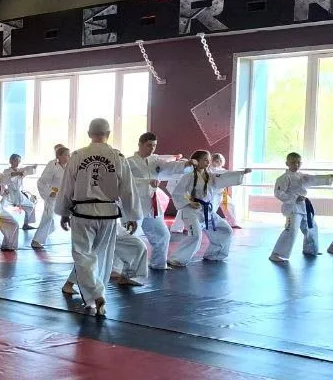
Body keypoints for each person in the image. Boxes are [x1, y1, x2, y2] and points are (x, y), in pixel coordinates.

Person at [57, 118, 138, 317]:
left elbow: (67, 187)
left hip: (82, 213)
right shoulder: (118, 156)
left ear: (88, 133)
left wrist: (64, 212)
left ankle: (96, 295)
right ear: (108, 134)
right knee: (102, 256)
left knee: (82, 255)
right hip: (108, 213)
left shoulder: (78, 156)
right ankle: (98, 296)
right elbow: (128, 189)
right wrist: (131, 215)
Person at [167, 151, 251, 266]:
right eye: (205, 159)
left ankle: (214, 254)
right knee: (195, 235)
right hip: (191, 211)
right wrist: (189, 202)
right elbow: (178, 193)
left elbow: (224, 176)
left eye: (209, 160)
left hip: (207, 210)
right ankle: (177, 259)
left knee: (225, 230)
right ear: (197, 161)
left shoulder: (210, 176)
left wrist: (241, 173)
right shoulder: (188, 176)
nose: (208, 162)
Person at [124, 133, 188, 270]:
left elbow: (169, 166)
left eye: (154, 145)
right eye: (149, 145)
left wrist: (185, 164)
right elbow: (126, 181)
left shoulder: (155, 159)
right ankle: (123, 269)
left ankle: (158, 264)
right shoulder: (129, 162)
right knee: (130, 237)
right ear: (140, 144)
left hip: (152, 204)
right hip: (135, 205)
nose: (152, 148)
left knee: (163, 235)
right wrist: (147, 182)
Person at [270, 153, 333, 263]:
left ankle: (310, 249)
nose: (296, 164)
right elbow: (278, 193)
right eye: (293, 162)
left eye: (298, 162)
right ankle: (276, 254)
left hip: (304, 206)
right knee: (291, 230)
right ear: (287, 163)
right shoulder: (283, 178)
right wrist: (295, 198)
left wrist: (330, 176)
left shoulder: (302, 176)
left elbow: (314, 179)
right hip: (292, 208)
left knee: (311, 227)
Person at [31, 147, 70, 249]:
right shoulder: (52, 165)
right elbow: (41, 182)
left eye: (69, 155)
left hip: (63, 197)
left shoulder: (68, 167)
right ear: (59, 156)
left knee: (52, 221)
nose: (69, 157)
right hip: (52, 197)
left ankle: (43, 235)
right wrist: (49, 192)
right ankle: (36, 240)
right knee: (48, 217)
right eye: (66, 155)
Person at [0, 154, 38, 229]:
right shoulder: (6, 171)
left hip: (19, 194)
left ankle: (26, 224)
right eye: (16, 160)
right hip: (9, 193)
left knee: (31, 206)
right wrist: (4, 189)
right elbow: (5, 179)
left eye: (19, 161)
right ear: (11, 161)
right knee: (0, 207)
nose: (18, 162)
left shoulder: (20, 170)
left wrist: (33, 167)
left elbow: (27, 169)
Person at [209, 153, 241, 228]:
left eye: (220, 161)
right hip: (213, 193)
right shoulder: (208, 169)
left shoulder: (223, 170)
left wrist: (242, 172)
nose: (218, 162)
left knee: (230, 206)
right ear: (212, 161)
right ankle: (205, 224)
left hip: (222, 192)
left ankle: (233, 223)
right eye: (216, 161)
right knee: (212, 209)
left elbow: (231, 174)